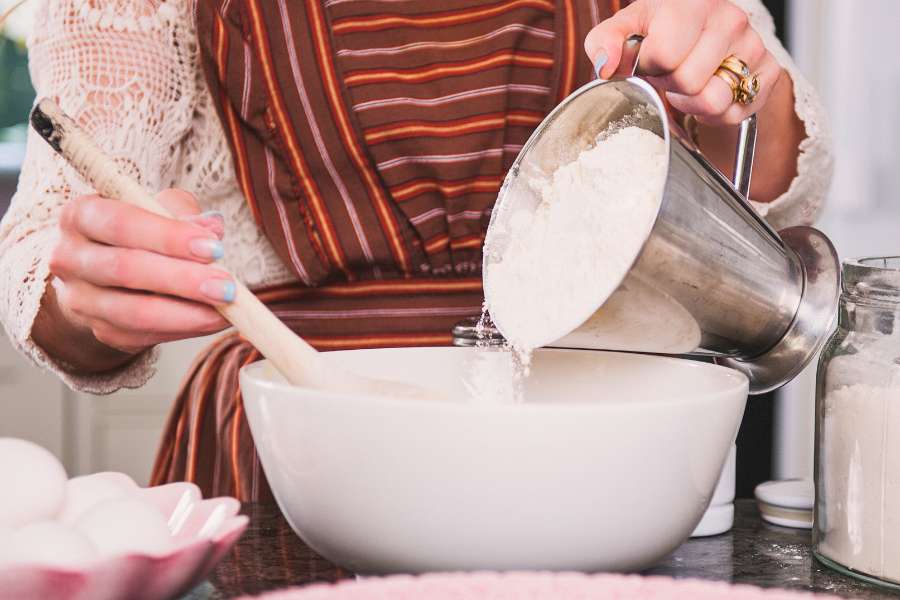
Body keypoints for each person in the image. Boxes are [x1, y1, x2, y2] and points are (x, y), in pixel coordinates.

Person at [0, 0, 830, 501]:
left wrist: (735, 87)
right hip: (291, 457)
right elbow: (41, 249)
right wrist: (84, 289)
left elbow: (781, 183)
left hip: (586, 448)